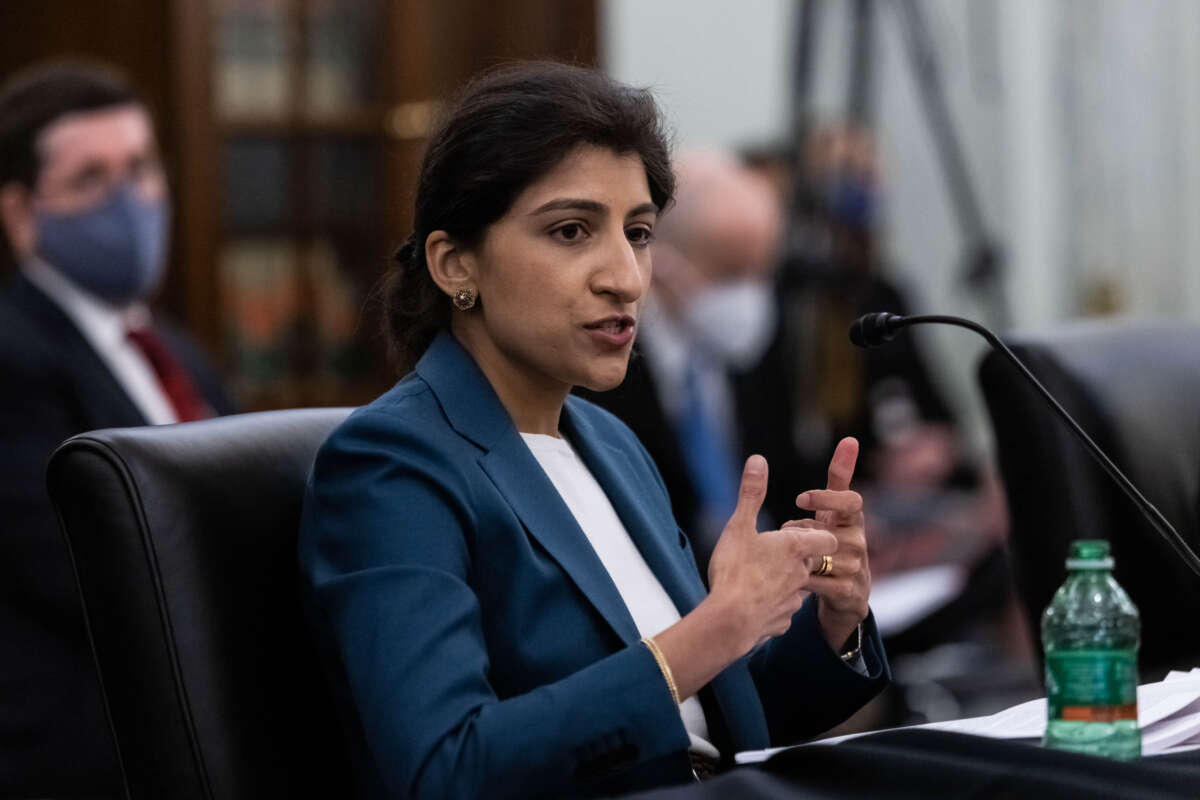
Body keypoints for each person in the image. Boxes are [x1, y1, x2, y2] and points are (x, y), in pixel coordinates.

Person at [299, 63, 889, 799]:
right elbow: (446, 771)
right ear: (455, 264)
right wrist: (719, 625)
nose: (626, 277)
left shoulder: (610, 444)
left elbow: (714, 725)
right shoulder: (392, 462)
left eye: (638, 233)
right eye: (572, 231)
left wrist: (833, 619)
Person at [0, 62, 233, 795]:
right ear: (21, 213)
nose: (127, 200)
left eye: (138, 167)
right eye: (89, 179)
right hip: (85, 754)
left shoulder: (176, 349)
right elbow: (76, 564)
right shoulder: (12, 355)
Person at [578, 150, 810, 572]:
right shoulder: (599, 368)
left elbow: (789, 481)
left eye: (762, 274)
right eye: (730, 274)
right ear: (662, 265)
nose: (750, 299)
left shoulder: (762, 352)